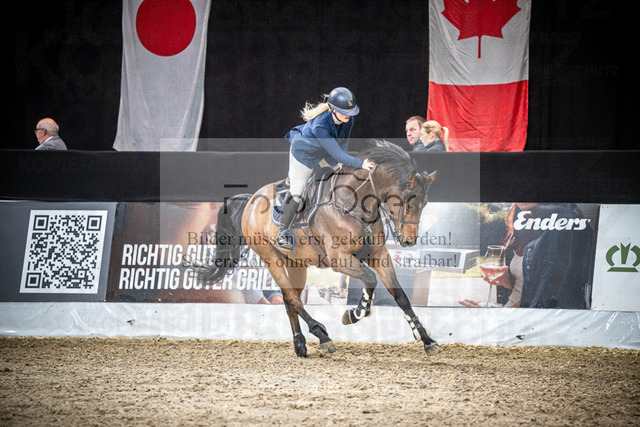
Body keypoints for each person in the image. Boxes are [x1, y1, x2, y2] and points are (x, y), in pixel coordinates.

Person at [277, 87, 376, 252]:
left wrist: (343, 162)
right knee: (298, 192)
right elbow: (337, 153)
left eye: (350, 112)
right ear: (332, 109)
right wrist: (360, 164)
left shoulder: (348, 119)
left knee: (342, 178)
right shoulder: (320, 125)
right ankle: (282, 232)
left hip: (325, 152)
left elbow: (343, 144)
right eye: (344, 111)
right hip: (305, 154)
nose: (348, 115)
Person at [459, 203, 593, 309]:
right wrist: (507, 281)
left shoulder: (566, 225)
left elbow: (548, 300)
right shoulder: (523, 221)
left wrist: (498, 314)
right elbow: (528, 285)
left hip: (524, 318)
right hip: (512, 311)